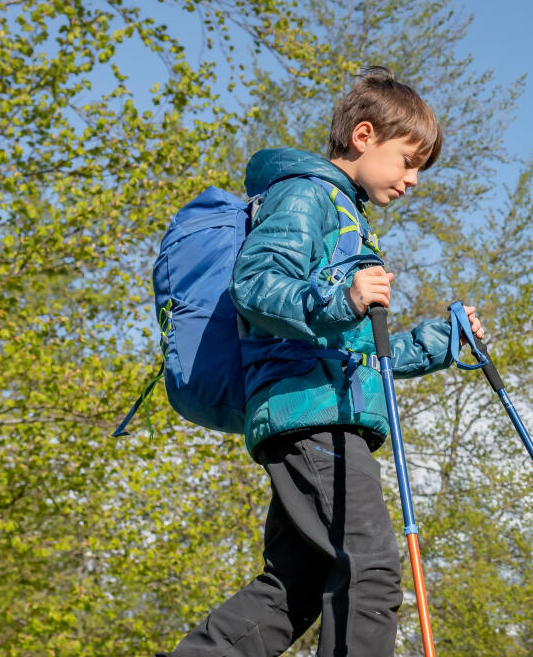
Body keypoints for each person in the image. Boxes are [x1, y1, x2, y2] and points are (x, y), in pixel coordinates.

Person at [163, 67, 485, 657]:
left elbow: (360, 351)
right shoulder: (307, 195)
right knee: (371, 571)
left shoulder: (346, 215)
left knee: (298, 586)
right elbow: (256, 286)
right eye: (408, 161)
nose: (414, 180)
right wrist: (343, 298)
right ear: (364, 136)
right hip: (312, 414)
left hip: (320, 407)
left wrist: (445, 342)